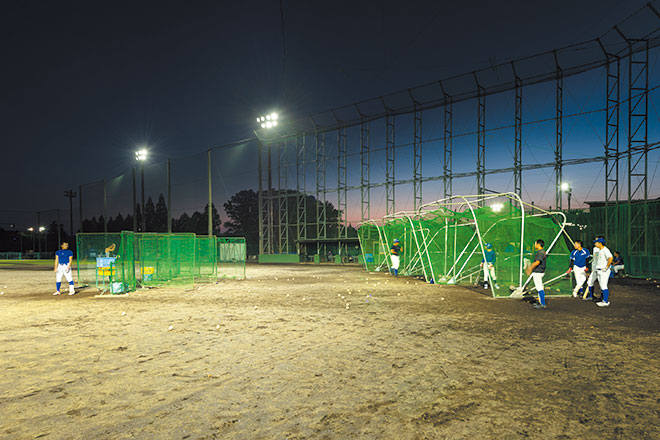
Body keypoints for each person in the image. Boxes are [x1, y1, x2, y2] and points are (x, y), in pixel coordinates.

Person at [525, 239, 547, 309]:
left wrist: (530, 268)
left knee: (539, 287)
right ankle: (541, 302)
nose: (535, 245)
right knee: (540, 287)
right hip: (539, 271)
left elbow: (538, 262)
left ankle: (542, 304)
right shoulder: (542, 252)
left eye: (535, 243)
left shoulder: (541, 252)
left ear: (538, 244)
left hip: (538, 272)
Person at [592, 238, 613, 307]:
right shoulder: (600, 250)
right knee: (602, 286)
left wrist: (606, 267)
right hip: (599, 270)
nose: (595, 244)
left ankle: (605, 301)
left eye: (596, 242)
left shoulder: (605, 250)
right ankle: (603, 300)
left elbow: (610, 258)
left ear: (600, 243)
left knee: (604, 286)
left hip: (604, 270)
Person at [584, 235, 605, 301]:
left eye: (597, 241)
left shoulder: (604, 249)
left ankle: (603, 298)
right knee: (590, 282)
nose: (595, 242)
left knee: (602, 284)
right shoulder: (595, 249)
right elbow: (595, 259)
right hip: (595, 269)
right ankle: (591, 296)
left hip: (601, 269)